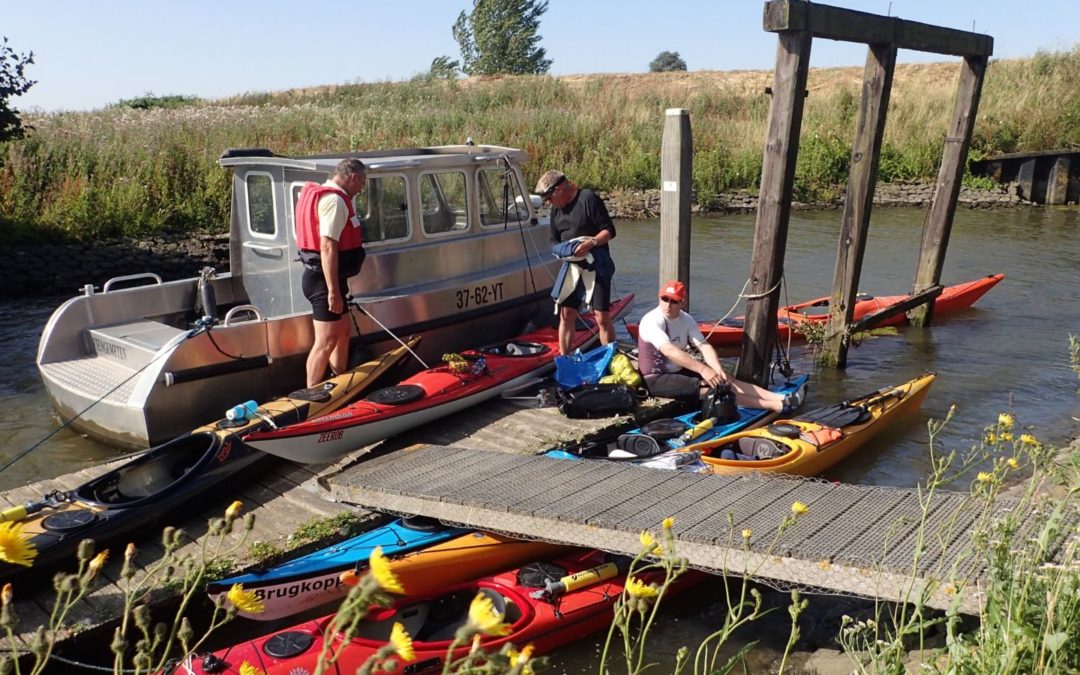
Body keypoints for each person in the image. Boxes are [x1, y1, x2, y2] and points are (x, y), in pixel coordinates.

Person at [637, 280, 805, 412]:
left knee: (725, 379)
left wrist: (716, 369)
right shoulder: (652, 320)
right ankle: (777, 406)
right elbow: (669, 350)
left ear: (682, 303)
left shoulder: (686, 319)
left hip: (677, 371)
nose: (668, 305)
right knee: (716, 388)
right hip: (654, 378)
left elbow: (704, 346)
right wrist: (703, 370)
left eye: (674, 301)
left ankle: (778, 397)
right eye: (664, 299)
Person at [295, 158, 368, 387]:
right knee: (325, 341)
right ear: (353, 177)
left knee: (343, 332)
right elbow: (327, 246)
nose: (362, 187)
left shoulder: (332, 197)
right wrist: (333, 291)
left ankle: (340, 382)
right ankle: (310, 394)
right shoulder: (335, 202)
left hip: (331, 280)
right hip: (322, 282)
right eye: (362, 182)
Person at [535, 169, 617, 355]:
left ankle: (610, 360)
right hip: (572, 265)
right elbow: (554, 240)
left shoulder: (587, 198)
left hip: (596, 264)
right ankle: (566, 360)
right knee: (566, 314)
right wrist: (565, 252)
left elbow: (609, 231)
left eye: (549, 197)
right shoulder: (556, 210)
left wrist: (591, 243)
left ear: (559, 189)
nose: (549, 202)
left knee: (601, 317)